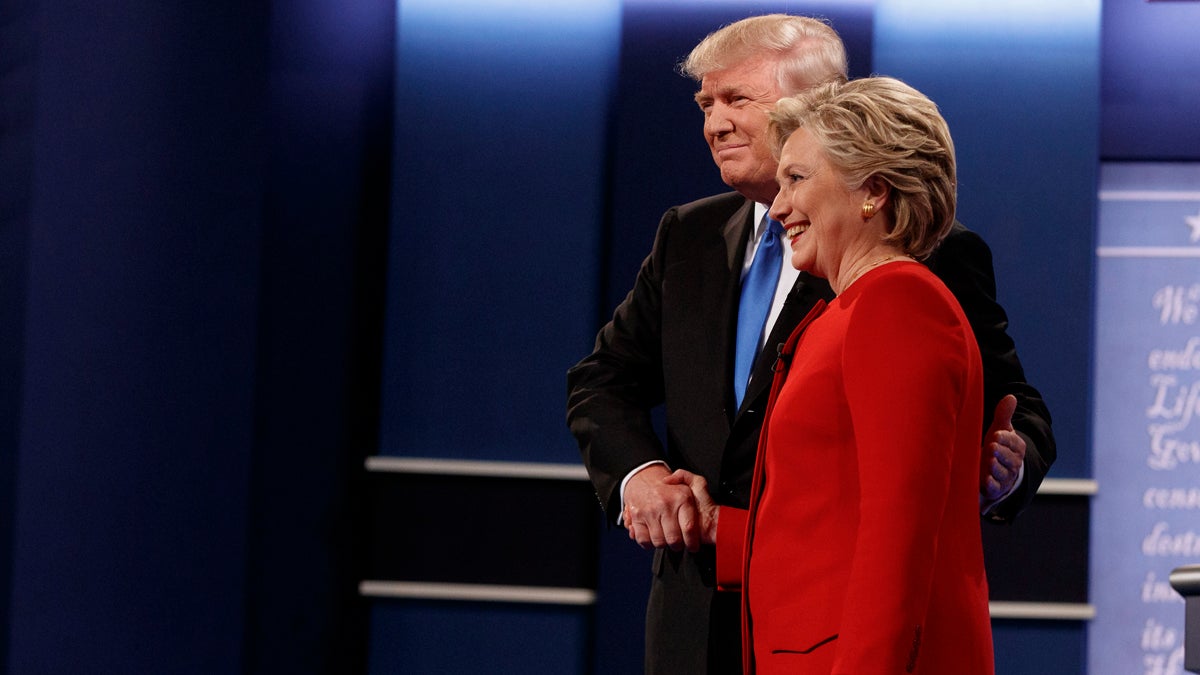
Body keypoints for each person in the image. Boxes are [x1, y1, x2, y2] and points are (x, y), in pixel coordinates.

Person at [565, 14, 1053, 674]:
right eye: (706, 103)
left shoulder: (899, 287)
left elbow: (894, 536)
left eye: (738, 99)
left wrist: (1004, 466)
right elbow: (604, 380)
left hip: (839, 639)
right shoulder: (689, 236)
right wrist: (651, 486)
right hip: (706, 621)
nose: (714, 123)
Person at [672, 76, 994, 674]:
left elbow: (897, 541)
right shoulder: (839, 313)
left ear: (872, 190)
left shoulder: (896, 303)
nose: (781, 205)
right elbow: (829, 525)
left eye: (797, 179)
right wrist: (718, 527)